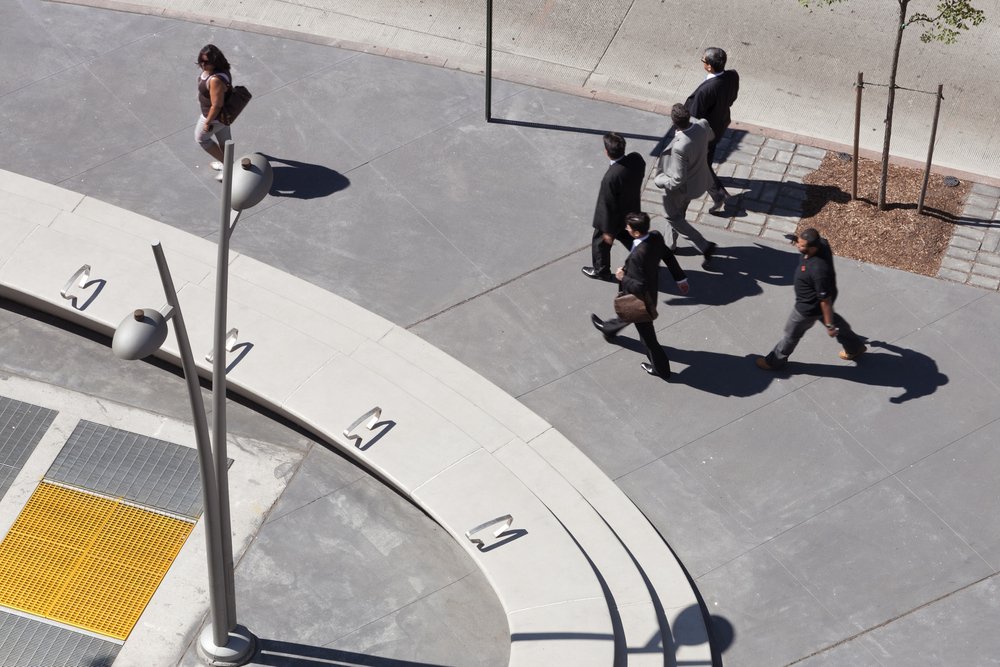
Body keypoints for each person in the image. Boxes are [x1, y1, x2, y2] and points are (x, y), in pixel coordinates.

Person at [590, 212, 689, 378]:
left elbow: (639, 285)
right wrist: (680, 278)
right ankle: (609, 329)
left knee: (648, 338)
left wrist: (623, 277)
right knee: (629, 317)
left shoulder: (638, 256)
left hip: (641, 300)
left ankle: (661, 370)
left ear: (635, 232)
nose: (626, 228)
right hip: (650, 293)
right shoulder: (656, 237)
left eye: (628, 227)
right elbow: (668, 256)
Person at [756, 228, 866, 370]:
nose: (798, 246)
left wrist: (829, 326)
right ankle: (855, 347)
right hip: (818, 303)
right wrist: (796, 238)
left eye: (802, 245)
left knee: (791, 335)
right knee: (832, 319)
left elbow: (825, 301)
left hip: (807, 309)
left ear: (813, 248)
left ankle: (774, 362)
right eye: (798, 242)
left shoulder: (819, 270)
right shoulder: (821, 244)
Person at [654, 104, 717, 269]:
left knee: (671, 216)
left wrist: (659, 180)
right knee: (677, 212)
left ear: (673, 122)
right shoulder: (702, 125)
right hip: (699, 180)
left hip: (684, 188)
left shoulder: (680, 146)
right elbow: (711, 136)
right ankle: (670, 246)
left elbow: (677, 180)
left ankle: (704, 245)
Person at [582, 133, 646, 281]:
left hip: (614, 217)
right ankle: (643, 259)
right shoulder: (636, 159)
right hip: (631, 210)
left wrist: (607, 231)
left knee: (600, 242)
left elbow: (606, 205)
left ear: (606, 152)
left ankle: (601, 270)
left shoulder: (610, 178)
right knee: (631, 237)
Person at [684, 47, 739, 213]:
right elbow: (732, 97)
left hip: (706, 132)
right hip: (720, 124)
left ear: (709, 66)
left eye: (703, 60)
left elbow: (694, 116)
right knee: (706, 158)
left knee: (700, 165)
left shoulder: (705, 90)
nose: (702, 61)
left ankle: (718, 194)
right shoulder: (732, 75)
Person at [195, 44, 233, 182]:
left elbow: (216, 105)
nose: (202, 64)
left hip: (214, 118)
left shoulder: (216, 79)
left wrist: (207, 122)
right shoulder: (218, 71)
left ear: (215, 62)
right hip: (224, 117)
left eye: (206, 62)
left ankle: (228, 167)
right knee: (224, 141)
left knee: (202, 138)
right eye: (201, 60)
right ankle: (227, 164)